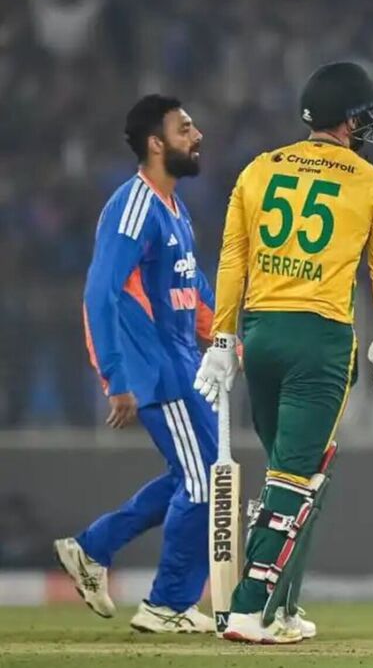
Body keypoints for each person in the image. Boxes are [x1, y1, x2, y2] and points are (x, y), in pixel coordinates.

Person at [193, 61, 373, 644]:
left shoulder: (259, 169)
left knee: (302, 474)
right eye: (365, 115)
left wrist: (223, 337)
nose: (370, 124)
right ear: (348, 120)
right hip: (320, 342)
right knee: (292, 479)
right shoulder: (371, 182)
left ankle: (283, 609)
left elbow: (232, 258)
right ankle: (247, 610)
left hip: (261, 336)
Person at [56, 95, 215, 633]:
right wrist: (115, 377)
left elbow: (190, 285)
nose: (197, 135)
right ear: (156, 143)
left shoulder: (174, 206)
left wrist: (224, 340)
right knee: (205, 481)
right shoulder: (134, 206)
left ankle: (92, 548)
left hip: (186, 364)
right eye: (185, 128)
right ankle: (167, 604)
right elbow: (99, 292)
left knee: (197, 477)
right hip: (158, 369)